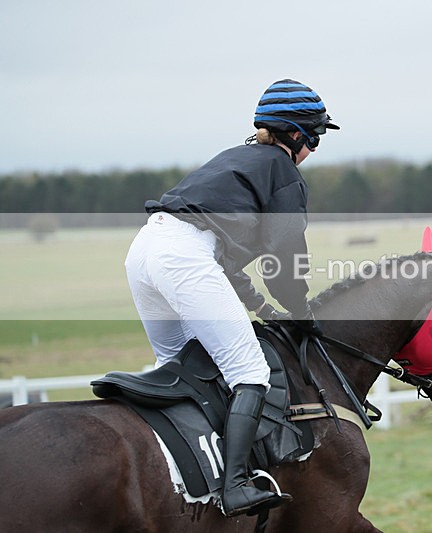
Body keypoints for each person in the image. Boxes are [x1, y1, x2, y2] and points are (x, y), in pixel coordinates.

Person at [124, 79, 338, 516]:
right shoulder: (283, 173)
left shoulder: (236, 159)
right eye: (314, 137)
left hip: (144, 252)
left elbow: (225, 259)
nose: (314, 149)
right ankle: (235, 485)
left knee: (184, 369)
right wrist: (298, 311)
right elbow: (286, 254)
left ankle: (179, 474)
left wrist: (261, 308)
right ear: (297, 135)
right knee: (250, 372)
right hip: (184, 258)